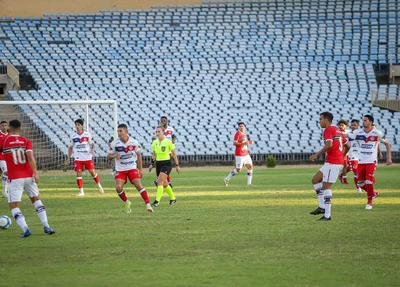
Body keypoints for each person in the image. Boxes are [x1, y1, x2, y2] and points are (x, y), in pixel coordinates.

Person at [0, 120, 55, 238]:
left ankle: (26, 229)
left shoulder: (3, 141)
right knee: (36, 200)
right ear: (20, 129)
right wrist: (36, 173)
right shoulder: (26, 141)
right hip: (29, 176)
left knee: (14, 206)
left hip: (15, 178)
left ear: (9, 129)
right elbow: (30, 156)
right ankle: (46, 226)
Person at [309, 112, 350, 221]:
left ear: (326, 120)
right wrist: (342, 157)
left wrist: (316, 155)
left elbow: (329, 145)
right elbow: (348, 146)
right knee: (315, 180)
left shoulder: (328, 130)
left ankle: (327, 215)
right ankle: (322, 206)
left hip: (333, 163)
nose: (319, 121)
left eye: (320, 119)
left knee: (326, 187)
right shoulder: (338, 130)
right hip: (333, 161)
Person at [348, 115, 392, 210]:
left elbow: (387, 144)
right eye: (363, 120)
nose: (363, 122)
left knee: (368, 181)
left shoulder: (377, 133)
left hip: (371, 161)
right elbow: (347, 135)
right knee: (360, 184)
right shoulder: (358, 132)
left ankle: (369, 203)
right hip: (361, 161)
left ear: (370, 122)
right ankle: (373, 193)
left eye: (365, 120)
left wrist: (389, 158)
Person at [108, 124, 153, 213]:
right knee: (118, 188)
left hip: (131, 167)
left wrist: (141, 169)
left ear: (126, 131)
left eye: (121, 131)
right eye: (118, 131)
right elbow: (108, 156)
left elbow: (139, 155)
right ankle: (127, 202)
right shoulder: (114, 143)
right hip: (120, 169)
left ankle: (148, 205)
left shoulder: (134, 142)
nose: (119, 133)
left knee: (139, 185)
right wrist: (114, 155)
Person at [66, 119, 104, 196]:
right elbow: (70, 147)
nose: (77, 126)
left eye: (78, 125)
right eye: (76, 125)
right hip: (78, 157)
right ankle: (81, 192)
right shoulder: (73, 136)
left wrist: (92, 150)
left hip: (87, 157)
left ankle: (99, 186)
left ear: (82, 125)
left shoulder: (87, 135)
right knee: (79, 172)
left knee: (92, 172)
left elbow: (92, 144)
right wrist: (68, 158)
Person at [150, 125, 180, 207]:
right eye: (156, 132)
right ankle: (173, 199)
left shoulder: (168, 142)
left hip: (166, 164)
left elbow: (174, 154)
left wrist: (177, 165)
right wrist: (151, 163)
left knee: (159, 181)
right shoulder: (155, 142)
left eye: (159, 131)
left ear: (163, 132)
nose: (157, 133)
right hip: (158, 164)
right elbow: (154, 154)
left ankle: (157, 201)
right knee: (165, 183)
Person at [224, 122, 254, 187]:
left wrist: (248, 143)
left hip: (246, 154)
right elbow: (234, 143)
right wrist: (245, 143)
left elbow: (245, 143)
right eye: (240, 126)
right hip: (240, 154)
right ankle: (226, 179)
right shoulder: (237, 134)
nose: (241, 127)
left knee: (250, 167)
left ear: (245, 127)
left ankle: (249, 184)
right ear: (238, 127)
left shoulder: (245, 134)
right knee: (238, 170)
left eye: (242, 126)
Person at [149, 116, 176, 188]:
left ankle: (163, 181)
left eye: (164, 121)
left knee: (166, 166)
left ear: (167, 121)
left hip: (168, 149)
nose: (163, 122)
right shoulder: (158, 129)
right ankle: (163, 181)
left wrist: (173, 140)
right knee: (163, 166)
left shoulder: (170, 129)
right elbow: (153, 138)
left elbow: (174, 136)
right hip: (160, 149)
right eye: (162, 121)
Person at [340, 119, 362, 193]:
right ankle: (358, 188)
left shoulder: (362, 133)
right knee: (356, 172)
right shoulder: (349, 133)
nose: (353, 126)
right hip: (352, 156)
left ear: (358, 125)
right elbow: (342, 136)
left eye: (354, 125)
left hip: (361, 156)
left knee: (360, 172)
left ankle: (342, 175)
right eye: (352, 125)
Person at [337, 119, 350, 184]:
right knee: (345, 166)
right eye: (340, 125)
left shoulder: (349, 132)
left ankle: (341, 175)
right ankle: (345, 179)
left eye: (342, 125)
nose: (341, 126)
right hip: (343, 151)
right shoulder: (338, 133)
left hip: (350, 152)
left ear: (346, 126)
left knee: (350, 167)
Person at [0, 121, 9, 198]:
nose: (4, 127)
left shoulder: (10, 135)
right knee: (6, 173)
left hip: (8, 158)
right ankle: (4, 192)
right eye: (2, 125)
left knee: (7, 174)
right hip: (1, 157)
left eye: (5, 125)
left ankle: (4, 192)